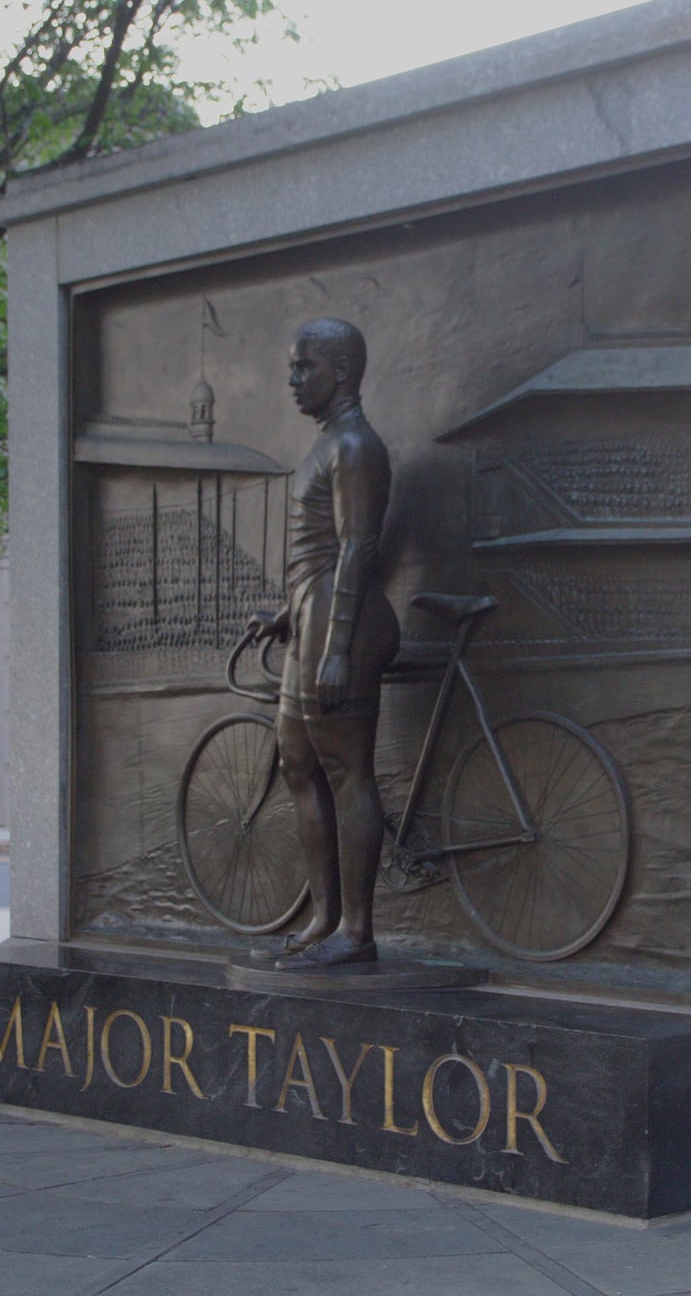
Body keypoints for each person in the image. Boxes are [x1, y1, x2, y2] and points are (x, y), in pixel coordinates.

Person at [257, 318, 398, 968]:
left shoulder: (357, 447)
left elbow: (354, 549)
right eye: (291, 367)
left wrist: (338, 645)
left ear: (341, 370)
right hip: (309, 624)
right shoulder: (327, 444)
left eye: (303, 367)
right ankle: (323, 917)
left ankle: (358, 933)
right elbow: (313, 553)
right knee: (297, 762)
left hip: (340, 627)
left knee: (346, 771)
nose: (292, 380)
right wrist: (285, 614)